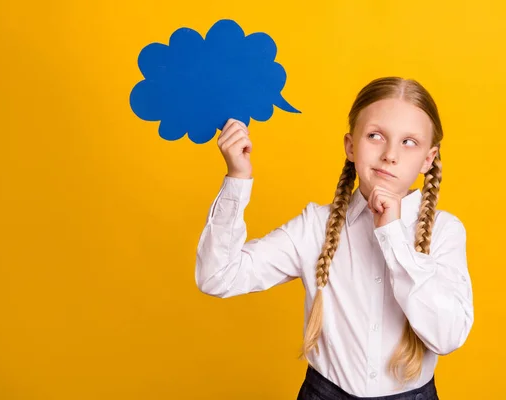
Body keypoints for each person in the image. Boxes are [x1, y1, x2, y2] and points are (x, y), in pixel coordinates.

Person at [195, 77, 474, 399]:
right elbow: (218, 277)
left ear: (428, 159)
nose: (390, 155)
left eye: (409, 142)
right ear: (351, 146)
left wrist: (393, 235)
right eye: (375, 136)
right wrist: (238, 177)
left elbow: (448, 336)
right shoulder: (315, 225)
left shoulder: (445, 231)